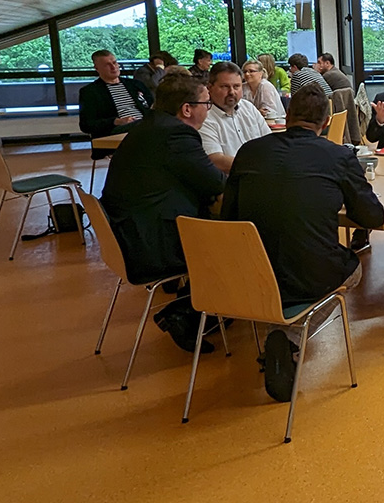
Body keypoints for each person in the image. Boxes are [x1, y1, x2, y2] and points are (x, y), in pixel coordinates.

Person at [220, 85, 384, 401]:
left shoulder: (249, 152)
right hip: (308, 272)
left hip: (247, 273)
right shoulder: (338, 155)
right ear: (326, 122)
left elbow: (230, 217)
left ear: (286, 115)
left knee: (288, 254)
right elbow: (372, 218)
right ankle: (288, 335)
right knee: (354, 269)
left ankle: (279, 334)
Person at [101, 74, 225, 352]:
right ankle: (186, 313)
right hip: (150, 242)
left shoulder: (151, 127)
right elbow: (214, 182)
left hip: (128, 231)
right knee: (234, 240)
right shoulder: (177, 134)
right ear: (187, 109)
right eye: (207, 103)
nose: (209, 108)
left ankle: (203, 310)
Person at [198, 61, 270, 173]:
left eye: (236, 86)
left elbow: (269, 142)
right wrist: (260, 166)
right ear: (210, 88)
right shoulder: (203, 117)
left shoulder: (248, 108)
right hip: (231, 183)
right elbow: (216, 160)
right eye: (225, 87)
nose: (232, 92)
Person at [79, 49, 153, 140]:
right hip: (116, 130)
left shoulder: (135, 85)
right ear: (97, 69)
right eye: (107, 65)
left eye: (114, 63)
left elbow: (153, 106)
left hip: (144, 124)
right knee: (145, 126)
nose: (113, 67)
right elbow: (86, 125)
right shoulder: (90, 92)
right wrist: (117, 121)